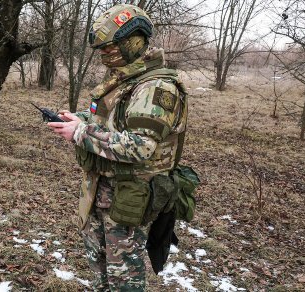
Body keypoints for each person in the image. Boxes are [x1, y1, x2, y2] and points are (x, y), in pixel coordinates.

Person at [47, 4, 188, 291]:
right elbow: (113, 122)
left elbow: (140, 147)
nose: (103, 55)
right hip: (102, 192)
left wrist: (81, 133)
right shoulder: (125, 79)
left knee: (124, 279)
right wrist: (82, 119)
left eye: (109, 48)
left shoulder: (156, 87)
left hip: (126, 198)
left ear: (134, 41)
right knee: (100, 271)